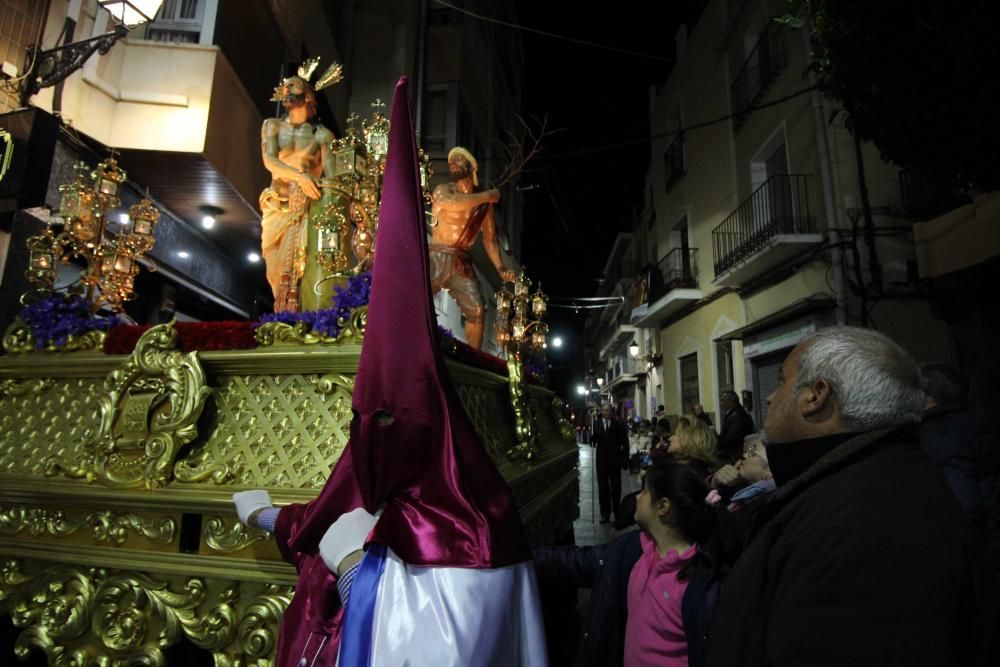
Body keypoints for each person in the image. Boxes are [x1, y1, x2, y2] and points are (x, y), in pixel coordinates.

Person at [234, 79, 546, 667]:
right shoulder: (384, 473)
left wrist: (353, 569)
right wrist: (264, 513)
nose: (454, 172)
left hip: (456, 265)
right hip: (395, 245)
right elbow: (322, 513)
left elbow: (433, 640)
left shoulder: (477, 533)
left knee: (474, 312)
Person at [707, 326, 999, 666]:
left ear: (816, 396)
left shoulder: (855, 533)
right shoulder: (865, 480)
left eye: (782, 380)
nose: (771, 397)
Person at [534, 460, 725, 667]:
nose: (637, 497)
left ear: (663, 507)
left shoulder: (701, 583)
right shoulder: (633, 550)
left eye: (644, 492)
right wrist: (522, 555)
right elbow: (576, 561)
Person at [259, 59, 342, 312]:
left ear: (307, 95)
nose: (286, 90)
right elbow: (269, 161)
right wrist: (301, 176)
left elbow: (333, 178)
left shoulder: (322, 136)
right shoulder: (271, 126)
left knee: (303, 267)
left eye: (292, 85)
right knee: (274, 271)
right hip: (276, 204)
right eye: (285, 86)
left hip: (306, 209)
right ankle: (281, 315)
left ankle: (302, 318)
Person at [429, 146, 515, 348]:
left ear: (472, 167)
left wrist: (500, 268)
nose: (453, 162)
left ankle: (473, 359)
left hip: (461, 260)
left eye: (459, 159)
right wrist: (488, 196)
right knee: (415, 299)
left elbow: (490, 240)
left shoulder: (484, 206)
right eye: (451, 160)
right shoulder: (444, 190)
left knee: (477, 311)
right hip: (436, 256)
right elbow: (453, 203)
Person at [919, 363, 1000, 571]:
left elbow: (964, 503)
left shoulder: (941, 435)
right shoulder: (973, 422)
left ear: (927, 395)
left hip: (981, 549)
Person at [593, 403, 630, 523]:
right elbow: (595, 441)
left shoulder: (619, 424)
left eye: (608, 410)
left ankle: (616, 511)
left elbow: (625, 443)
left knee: (616, 488)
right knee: (603, 489)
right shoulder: (596, 424)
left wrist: (625, 460)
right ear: (601, 411)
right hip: (602, 462)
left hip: (615, 461)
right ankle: (605, 513)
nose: (606, 412)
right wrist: (591, 439)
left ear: (612, 411)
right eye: (604, 410)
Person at [716, 390, 754, 463]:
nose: (721, 403)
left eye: (723, 400)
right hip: (735, 454)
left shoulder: (736, 415)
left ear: (731, 401)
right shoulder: (735, 413)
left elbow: (732, 439)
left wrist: (716, 438)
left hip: (734, 456)